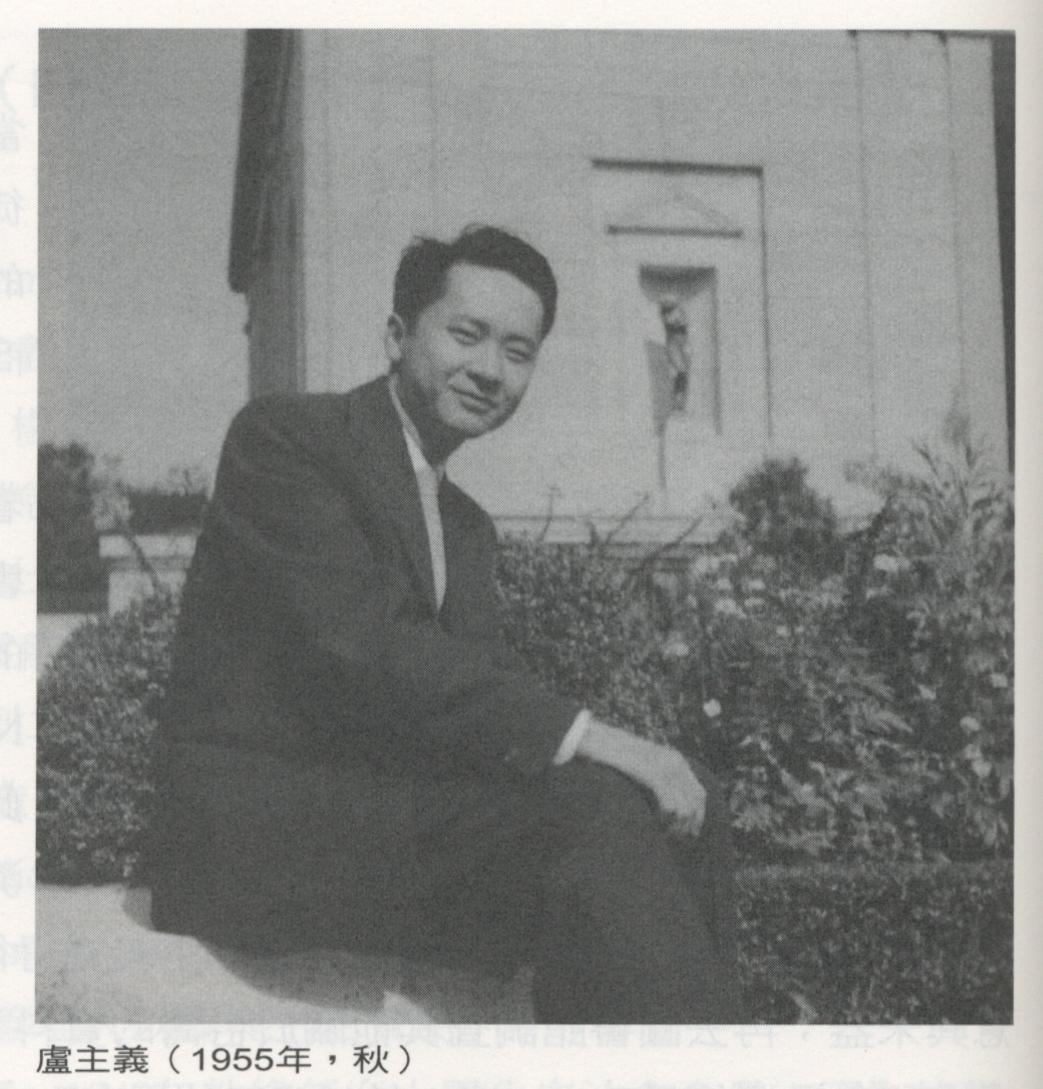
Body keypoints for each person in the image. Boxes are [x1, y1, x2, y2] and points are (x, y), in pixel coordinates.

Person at [150, 225, 742, 1023]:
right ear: (398, 336)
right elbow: (363, 648)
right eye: (467, 334)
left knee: (684, 793)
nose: (490, 369)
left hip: (395, 827)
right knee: (596, 807)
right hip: (263, 839)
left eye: (517, 351)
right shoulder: (286, 439)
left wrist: (628, 762)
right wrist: (599, 739)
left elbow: (472, 699)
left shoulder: (464, 525)